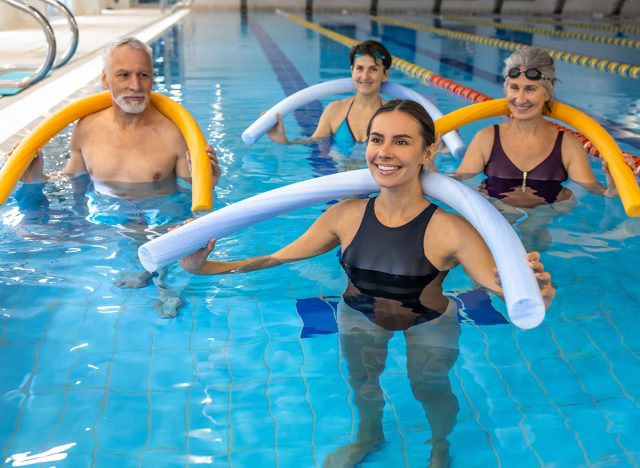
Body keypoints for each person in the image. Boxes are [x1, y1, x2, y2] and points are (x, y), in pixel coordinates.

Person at [178, 100, 555, 463]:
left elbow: (500, 287)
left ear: (428, 151)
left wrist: (536, 293)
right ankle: (368, 435)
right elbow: (274, 259)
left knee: (429, 387)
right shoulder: (345, 215)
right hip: (358, 314)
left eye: (401, 141)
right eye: (378, 139)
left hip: (428, 318)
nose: (384, 152)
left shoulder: (450, 229)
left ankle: (440, 446)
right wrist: (203, 267)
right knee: (363, 384)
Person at [17, 37, 221, 317]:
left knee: (171, 241)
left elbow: (193, 198)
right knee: (28, 231)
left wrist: (211, 180)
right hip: (107, 219)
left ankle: (163, 279)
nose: (135, 86)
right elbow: (73, 182)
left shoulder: (173, 132)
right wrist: (35, 177)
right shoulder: (87, 128)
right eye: (123, 75)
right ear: (105, 79)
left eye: (143, 75)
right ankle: (146, 267)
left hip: (160, 218)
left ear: (153, 78)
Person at [455, 46, 618, 208]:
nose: (520, 99)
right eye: (514, 87)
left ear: (547, 93)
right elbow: (455, 182)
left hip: (545, 216)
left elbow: (594, 190)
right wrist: (430, 164)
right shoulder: (487, 138)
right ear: (506, 90)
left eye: (530, 89)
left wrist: (612, 190)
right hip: (497, 213)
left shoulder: (568, 145)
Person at [266, 40, 391, 151]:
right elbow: (313, 142)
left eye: (373, 69)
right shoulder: (335, 110)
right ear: (352, 71)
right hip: (339, 175)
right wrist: (284, 141)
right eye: (359, 68)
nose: (365, 76)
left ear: (385, 74)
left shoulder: (393, 114)